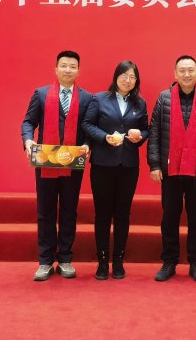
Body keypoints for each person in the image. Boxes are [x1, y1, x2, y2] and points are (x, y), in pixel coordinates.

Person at [147, 55, 196, 283]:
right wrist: (154, 164)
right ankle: (169, 261)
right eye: (182, 70)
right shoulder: (164, 98)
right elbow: (154, 132)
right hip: (170, 170)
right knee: (169, 217)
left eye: (191, 70)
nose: (187, 74)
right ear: (175, 74)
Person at [21, 51, 93, 281]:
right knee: (46, 211)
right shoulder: (41, 94)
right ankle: (45, 261)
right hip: (46, 160)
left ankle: (65, 259)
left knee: (69, 211)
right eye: (64, 65)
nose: (68, 70)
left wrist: (88, 145)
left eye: (72, 66)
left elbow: (90, 127)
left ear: (78, 70)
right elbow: (28, 122)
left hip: (72, 161)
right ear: (56, 68)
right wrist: (28, 140)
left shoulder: (87, 98)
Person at [82, 61, 148, 280]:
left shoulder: (140, 103)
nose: (128, 80)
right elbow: (87, 124)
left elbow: (146, 129)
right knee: (102, 214)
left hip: (128, 166)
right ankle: (102, 261)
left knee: (123, 214)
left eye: (132, 77)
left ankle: (118, 260)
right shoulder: (99, 98)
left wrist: (140, 136)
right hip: (102, 165)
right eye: (124, 76)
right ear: (116, 76)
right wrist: (105, 137)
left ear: (136, 81)